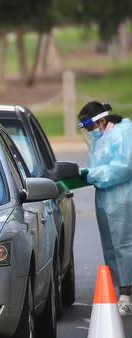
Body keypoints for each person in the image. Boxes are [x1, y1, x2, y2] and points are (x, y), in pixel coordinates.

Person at [77, 101, 132, 316]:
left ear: (101, 120)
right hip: (107, 200)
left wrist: (93, 174)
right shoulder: (101, 139)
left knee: (125, 245)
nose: (90, 132)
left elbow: (124, 166)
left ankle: (127, 294)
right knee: (112, 247)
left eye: (91, 127)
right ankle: (123, 292)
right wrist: (86, 173)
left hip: (124, 198)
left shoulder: (123, 132)